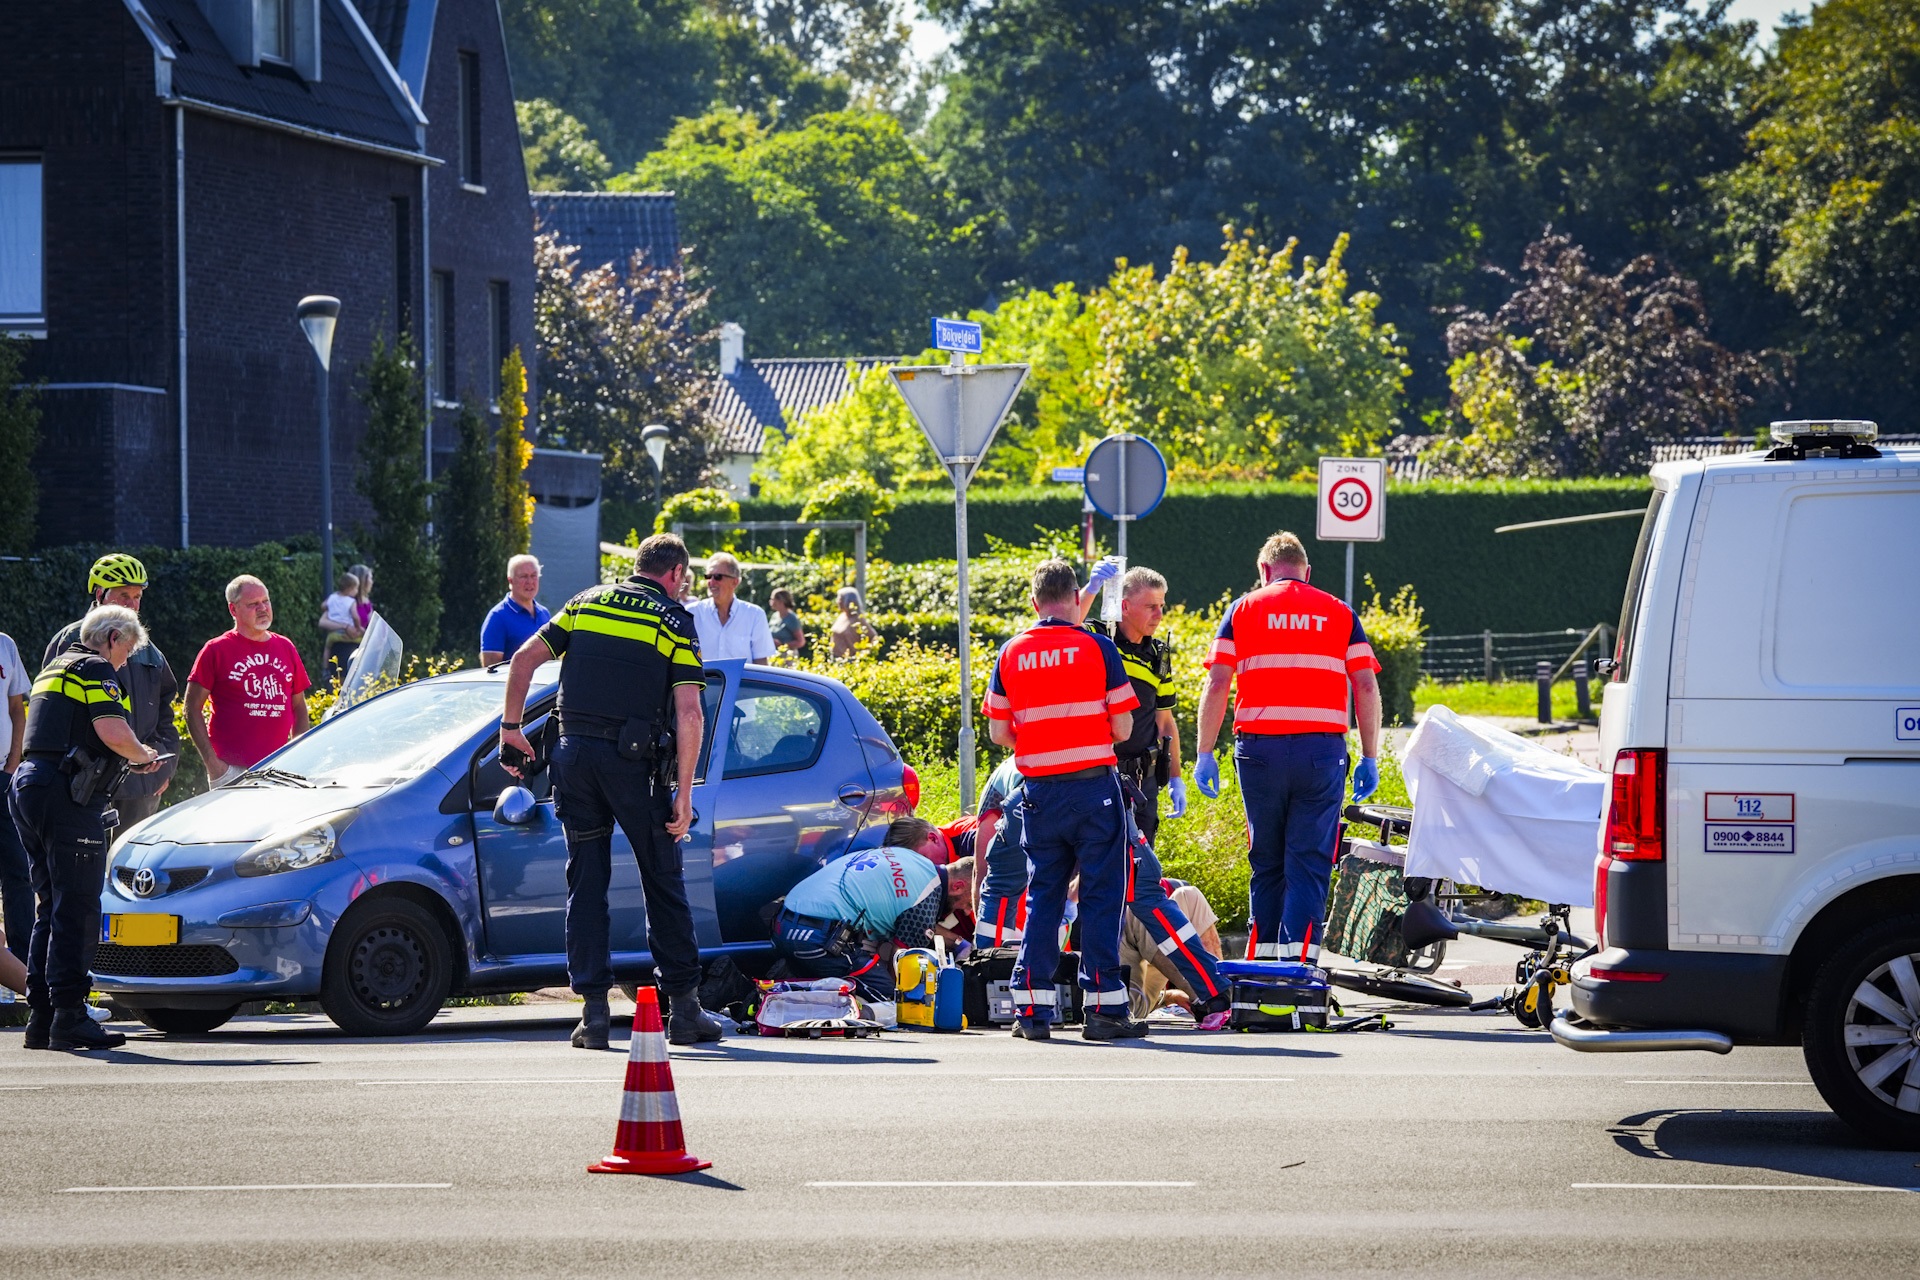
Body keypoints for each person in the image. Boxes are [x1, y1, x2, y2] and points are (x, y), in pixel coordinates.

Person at [498, 532, 727, 1050]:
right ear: (674, 575)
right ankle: (685, 1011)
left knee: (587, 882)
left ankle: (594, 1016)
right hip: (632, 767)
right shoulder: (672, 621)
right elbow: (689, 713)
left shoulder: (584, 602)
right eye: (684, 582)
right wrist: (685, 794)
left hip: (573, 762)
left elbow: (522, 662)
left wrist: (511, 730)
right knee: (661, 878)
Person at [1194, 531, 1383, 962]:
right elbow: (1366, 686)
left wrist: (1205, 751)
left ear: (1264, 571)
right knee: (1309, 861)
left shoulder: (1242, 609)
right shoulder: (1339, 612)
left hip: (1260, 752)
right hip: (1321, 753)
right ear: (1307, 572)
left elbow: (1218, 681)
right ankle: (1298, 968)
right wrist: (1370, 756)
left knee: (1267, 859)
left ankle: (1261, 965)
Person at [982, 558, 1143, 1041]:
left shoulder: (1011, 652)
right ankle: (1104, 1012)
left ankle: (1031, 1013)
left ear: (1034, 603)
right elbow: (1122, 727)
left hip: (1039, 794)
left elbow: (998, 733)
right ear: (1076, 599)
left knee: (1043, 897)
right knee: (1099, 896)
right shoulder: (1096, 647)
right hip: (1094, 790)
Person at [13, 605, 162, 1051]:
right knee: (77, 908)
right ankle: (72, 1017)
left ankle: (41, 1017)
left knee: (50, 905)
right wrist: (143, 756)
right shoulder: (96, 667)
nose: (125, 662)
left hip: (31, 785)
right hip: (67, 796)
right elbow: (113, 730)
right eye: (127, 652)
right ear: (113, 637)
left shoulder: (55, 666)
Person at [42, 554, 181, 828]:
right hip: (85, 785)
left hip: (141, 788)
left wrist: (166, 766)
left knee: (131, 867)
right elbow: (49, 713)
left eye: (138, 595)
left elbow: (166, 713)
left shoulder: (149, 650)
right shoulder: (70, 640)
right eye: (124, 595)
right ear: (99, 594)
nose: (133, 603)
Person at [773, 849, 975, 1000]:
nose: (966, 911)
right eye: (968, 903)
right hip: (815, 938)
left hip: (784, 920)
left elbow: (914, 916)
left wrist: (959, 942)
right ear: (958, 887)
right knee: (889, 996)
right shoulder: (925, 903)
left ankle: (791, 977)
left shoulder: (915, 861)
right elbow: (900, 966)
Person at [1083, 566, 1185, 844]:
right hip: (1097, 776)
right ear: (1124, 606)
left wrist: (1176, 777)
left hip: (1143, 781)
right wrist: (1092, 588)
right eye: (1151, 606)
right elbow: (1062, 625)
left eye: (1162, 605)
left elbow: (1165, 721)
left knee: (1141, 870)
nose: (1159, 615)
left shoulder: (1159, 654)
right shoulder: (1096, 636)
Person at [185, 576, 313, 788]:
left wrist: (297, 756)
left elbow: (299, 706)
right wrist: (213, 764)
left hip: (280, 769)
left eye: (266, 601)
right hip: (232, 772)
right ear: (233, 610)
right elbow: (191, 707)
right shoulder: (215, 650)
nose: (262, 608)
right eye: (253, 604)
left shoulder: (286, 647)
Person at [1120, 879, 1223, 1017]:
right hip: (1125, 998)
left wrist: (1169, 996)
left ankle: (1221, 991)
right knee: (1136, 910)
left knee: (1189, 895)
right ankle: (1211, 999)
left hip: (1144, 975)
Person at [0, 630, 31, 965]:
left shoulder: (5, 644)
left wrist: (12, 765)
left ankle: (23, 963)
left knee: (18, 870)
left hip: (2, 778)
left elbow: (17, 709)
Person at [689, 552, 775, 662]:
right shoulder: (691, 613)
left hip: (742, 680)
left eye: (717, 577)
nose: (711, 582)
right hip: (701, 680)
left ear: (735, 582)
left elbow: (761, 663)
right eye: (708, 576)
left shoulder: (755, 616)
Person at [479, 555, 550, 667]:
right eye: (524, 576)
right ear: (510, 580)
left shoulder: (544, 614)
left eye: (533, 576)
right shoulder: (497, 617)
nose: (530, 582)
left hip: (543, 684)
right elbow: (491, 670)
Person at [317, 569, 363, 685]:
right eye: (356, 588)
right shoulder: (351, 601)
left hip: (334, 634)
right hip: (347, 634)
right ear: (350, 589)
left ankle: (325, 668)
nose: (357, 591)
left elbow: (323, 606)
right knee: (362, 643)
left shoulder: (332, 597)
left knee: (327, 648)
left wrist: (331, 609)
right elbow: (356, 617)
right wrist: (358, 627)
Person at [830, 587, 878, 659]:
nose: (837, 601)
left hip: (848, 660)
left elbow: (874, 637)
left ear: (848, 601)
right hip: (835, 658)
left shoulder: (857, 619)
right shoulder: (842, 616)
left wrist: (864, 654)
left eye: (840, 599)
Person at [767, 589, 807, 659]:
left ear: (781, 601)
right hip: (774, 655)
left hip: (788, 657)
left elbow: (801, 641)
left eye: (773, 599)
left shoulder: (792, 618)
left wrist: (782, 645)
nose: (771, 602)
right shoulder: (774, 616)